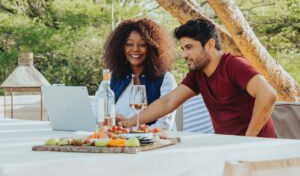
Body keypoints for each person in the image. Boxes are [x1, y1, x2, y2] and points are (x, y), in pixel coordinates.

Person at [120, 18, 277, 138]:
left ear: (209, 44)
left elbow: (268, 95)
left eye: (189, 47)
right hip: (227, 148)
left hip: (259, 150)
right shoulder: (197, 74)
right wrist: (129, 122)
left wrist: (248, 141)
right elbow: (168, 102)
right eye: (183, 49)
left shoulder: (234, 65)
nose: (184, 55)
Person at [93, 18, 177, 131]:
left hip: (151, 144)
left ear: (152, 48)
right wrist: (111, 120)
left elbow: (164, 126)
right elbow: (96, 113)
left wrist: (128, 128)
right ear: (121, 48)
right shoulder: (112, 77)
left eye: (142, 44)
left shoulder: (165, 79)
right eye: (129, 44)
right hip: (116, 141)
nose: (135, 49)